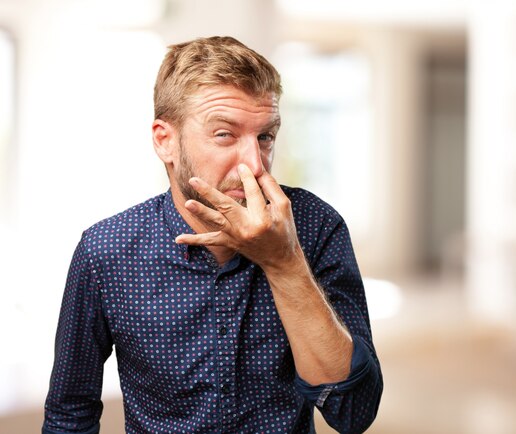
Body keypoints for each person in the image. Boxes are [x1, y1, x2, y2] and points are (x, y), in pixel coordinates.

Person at [42, 36, 383, 434]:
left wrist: (284, 262)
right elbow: (70, 414)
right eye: (224, 135)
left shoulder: (315, 226)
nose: (254, 165)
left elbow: (353, 413)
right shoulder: (107, 250)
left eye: (265, 136)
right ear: (164, 140)